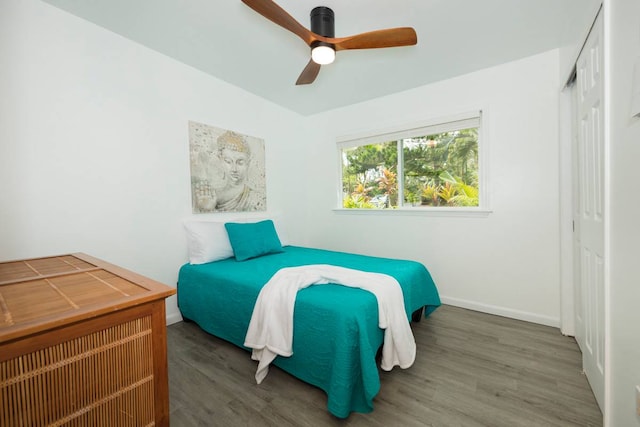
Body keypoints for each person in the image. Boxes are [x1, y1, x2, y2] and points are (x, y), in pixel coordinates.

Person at [211, 131, 265, 212]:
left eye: (240, 162)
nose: (234, 169)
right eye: (228, 161)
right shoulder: (210, 195)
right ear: (221, 160)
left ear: (248, 163)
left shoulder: (256, 198)